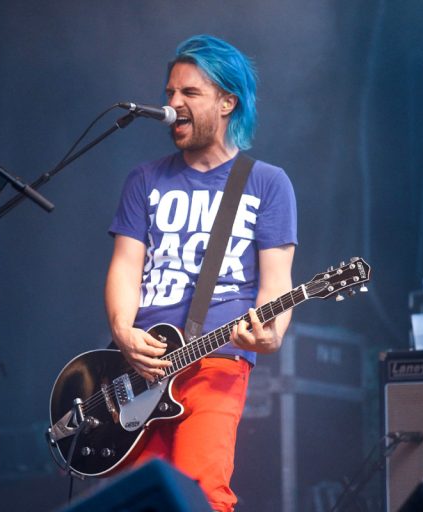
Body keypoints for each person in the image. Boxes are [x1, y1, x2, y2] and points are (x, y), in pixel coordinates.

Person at [105, 34, 297, 511]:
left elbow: (278, 284)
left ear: (227, 102)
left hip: (217, 359)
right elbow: (126, 267)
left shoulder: (267, 183)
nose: (172, 103)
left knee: (202, 492)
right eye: (170, 93)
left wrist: (271, 336)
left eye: (189, 93)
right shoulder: (144, 179)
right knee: (137, 499)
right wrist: (124, 334)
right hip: (140, 364)